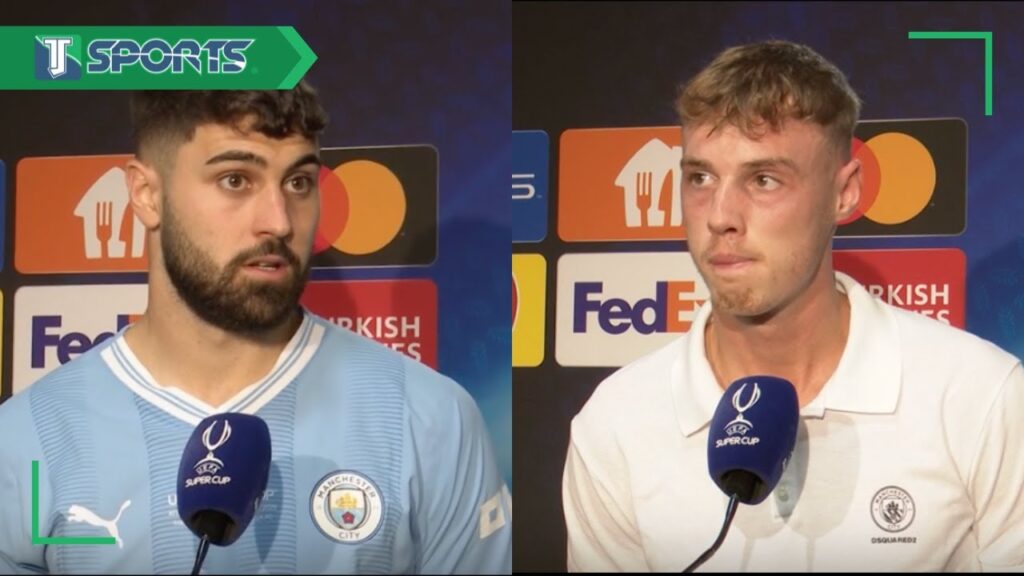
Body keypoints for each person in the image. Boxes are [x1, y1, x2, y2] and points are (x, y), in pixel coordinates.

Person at [0, 83, 511, 574]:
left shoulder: (430, 418)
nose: (280, 221)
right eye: (236, 180)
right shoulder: (27, 439)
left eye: (299, 182)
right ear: (145, 195)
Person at [562, 40, 1024, 572]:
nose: (720, 217)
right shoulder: (616, 424)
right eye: (700, 178)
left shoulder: (976, 395)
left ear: (844, 193)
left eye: (763, 180)